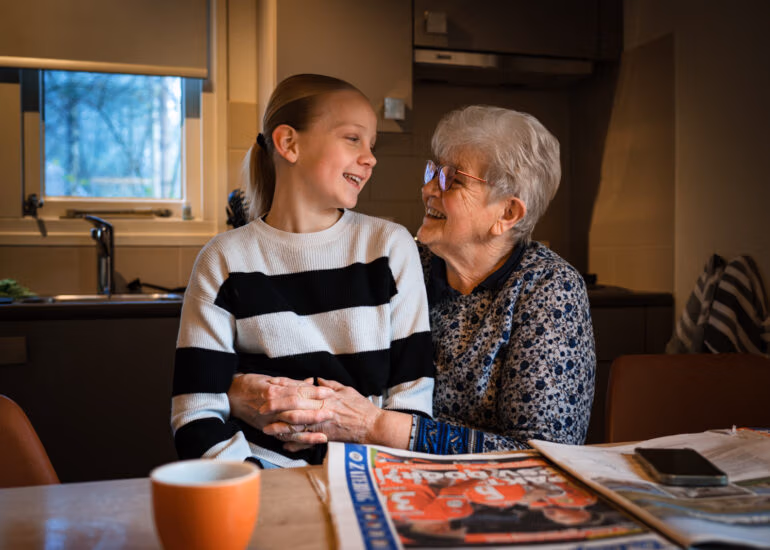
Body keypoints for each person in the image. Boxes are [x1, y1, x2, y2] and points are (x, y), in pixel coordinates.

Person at [229, 104, 596, 456]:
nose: (428, 189)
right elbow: (308, 353)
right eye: (432, 171)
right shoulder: (402, 262)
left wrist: (374, 426)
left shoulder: (549, 289)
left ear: (507, 212)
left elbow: (544, 454)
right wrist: (238, 390)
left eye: (452, 180)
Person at [170, 74, 435, 469]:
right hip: (259, 488)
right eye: (353, 139)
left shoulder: (390, 247)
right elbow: (194, 413)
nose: (370, 157)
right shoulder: (222, 259)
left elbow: (411, 402)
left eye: (372, 145)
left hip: (373, 478)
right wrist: (256, 488)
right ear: (289, 144)